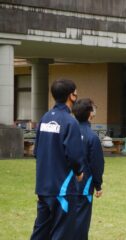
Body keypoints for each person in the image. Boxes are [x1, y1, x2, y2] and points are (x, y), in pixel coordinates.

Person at [31, 79, 85, 239]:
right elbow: (75, 155)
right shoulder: (70, 122)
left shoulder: (45, 118)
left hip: (43, 186)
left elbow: (36, 151)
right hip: (62, 188)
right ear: (72, 95)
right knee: (62, 232)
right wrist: (79, 172)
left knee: (40, 232)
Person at [72, 98, 105, 240]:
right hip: (84, 186)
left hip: (64, 186)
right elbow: (97, 164)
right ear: (90, 113)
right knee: (81, 223)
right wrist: (98, 185)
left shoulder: (67, 132)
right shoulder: (92, 137)